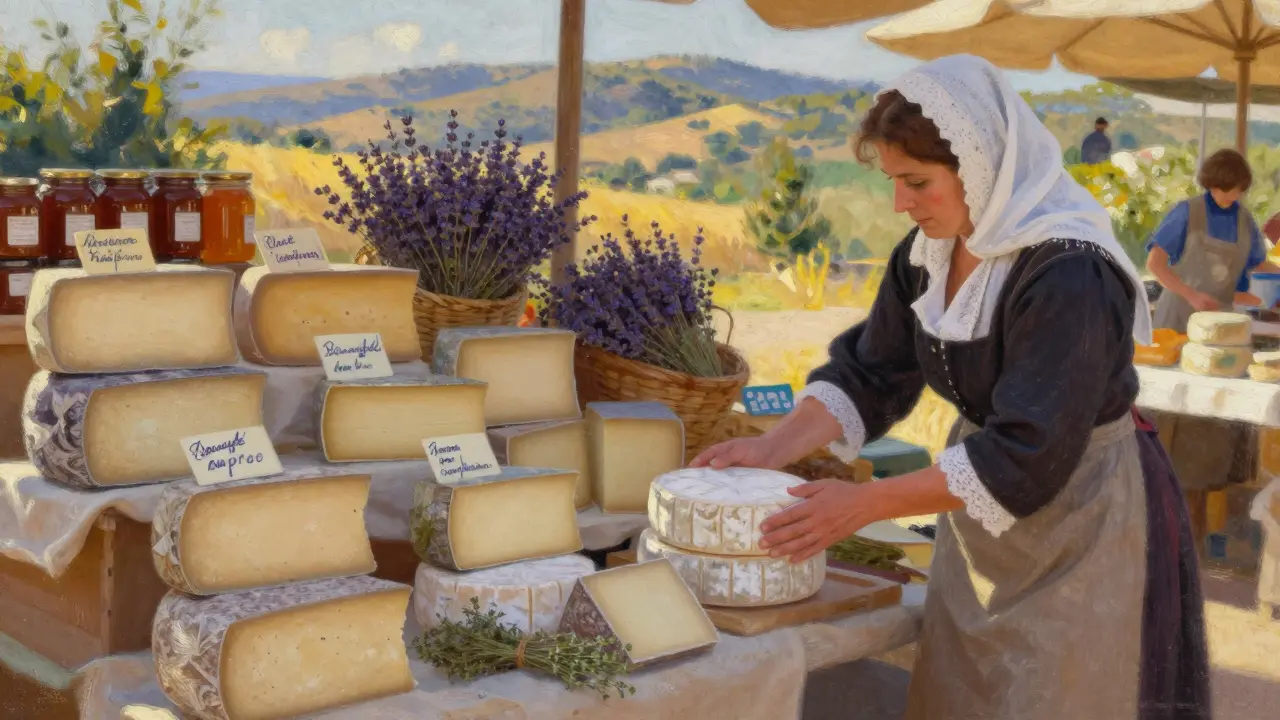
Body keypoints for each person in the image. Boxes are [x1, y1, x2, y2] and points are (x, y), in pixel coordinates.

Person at [693, 55, 1210, 720]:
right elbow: (869, 372)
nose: (899, 203)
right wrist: (773, 447)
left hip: (1088, 510)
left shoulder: (1071, 272)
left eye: (917, 182)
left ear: (983, 166)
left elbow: (1030, 448)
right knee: (970, 691)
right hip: (983, 515)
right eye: (892, 181)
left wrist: (864, 502)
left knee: (1065, 697)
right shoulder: (928, 253)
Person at [1145, 149, 1279, 541]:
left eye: (1235, 191)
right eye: (1222, 191)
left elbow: (1257, 265)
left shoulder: (1242, 220)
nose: (1228, 198)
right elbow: (1155, 263)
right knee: (1172, 419)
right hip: (1177, 324)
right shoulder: (1187, 212)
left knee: (1209, 426)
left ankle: (1202, 522)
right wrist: (1190, 294)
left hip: (1220, 326)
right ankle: (1162, 514)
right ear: (1210, 184)